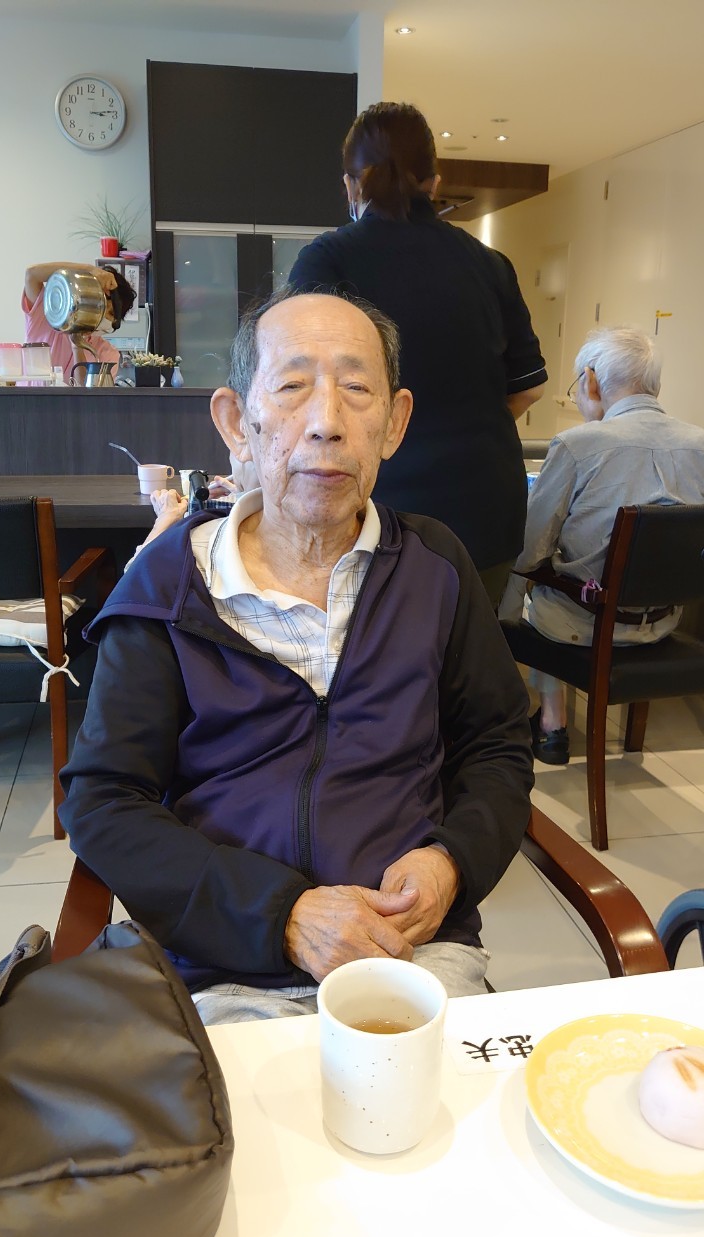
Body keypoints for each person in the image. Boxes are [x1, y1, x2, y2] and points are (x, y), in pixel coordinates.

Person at [60, 290, 534, 1024]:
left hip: (409, 954)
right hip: (223, 966)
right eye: (291, 387)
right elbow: (104, 800)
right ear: (236, 422)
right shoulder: (168, 585)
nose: (326, 423)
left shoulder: (435, 567)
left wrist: (452, 861)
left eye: (356, 389)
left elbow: (497, 746)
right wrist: (282, 915)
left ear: (394, 422)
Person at [289, 101, 547, 606]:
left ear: (351, 186)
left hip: (380, 508)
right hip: (487, 508)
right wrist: (465, 421)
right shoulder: (490, 264)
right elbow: (530, 386)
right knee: (469, 648)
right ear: (435, 182)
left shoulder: (327, 260)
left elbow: (302, 387)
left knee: (374, 649)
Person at [498, 326, 704, 765]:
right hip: (664, 621)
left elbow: (530, 550)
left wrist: (508, 611)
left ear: (591, 380)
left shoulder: (577, 445)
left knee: (529, 591)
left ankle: (552, 724)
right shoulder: (700, 445)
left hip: (583, 625)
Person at [23, 261, 137, 383]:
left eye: (110, 313)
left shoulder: (108, 354)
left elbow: (85, 393)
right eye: (99, 305)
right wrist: (89, 270)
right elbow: (32, 274)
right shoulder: (49, 314)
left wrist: (78, 346)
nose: (102, 315)